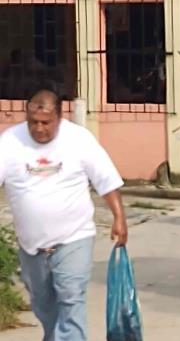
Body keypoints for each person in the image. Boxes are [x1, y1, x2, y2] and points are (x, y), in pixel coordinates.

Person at [0, 86, 127, 341]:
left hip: (74, 238)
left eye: (46, 122)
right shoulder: (10, 142)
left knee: (71, 299)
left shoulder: (78, 139)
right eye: (33, 122)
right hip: (31, 247)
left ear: (59, 117)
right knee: (44, 306)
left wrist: (119, 218)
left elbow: (106, 180)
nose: (39, 128)